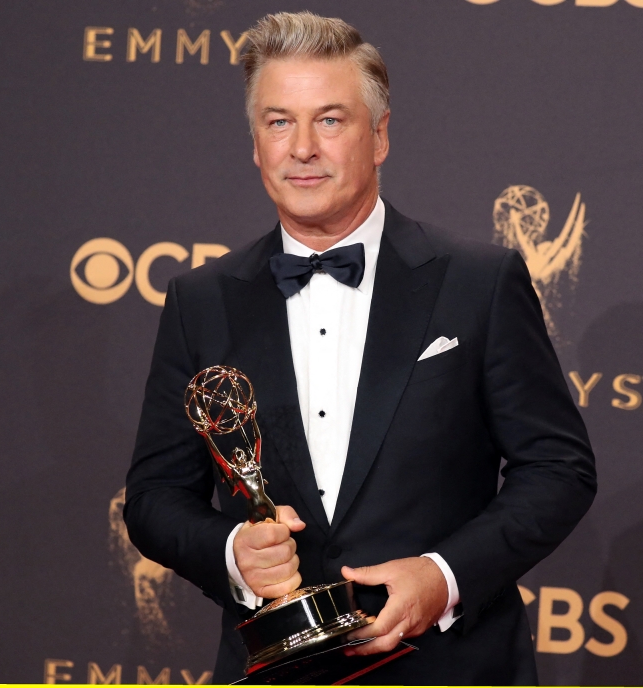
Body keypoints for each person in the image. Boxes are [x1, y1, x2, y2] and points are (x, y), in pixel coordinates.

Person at [124, 11, 596, 685]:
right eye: (279, 122)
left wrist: (443, 576)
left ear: (379, 136)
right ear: (256, 144)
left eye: (330, 120)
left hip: (450, 668)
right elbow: (154, 497)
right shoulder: (201, 300)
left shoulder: (478, 282)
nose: (302, 148)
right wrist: (232, 552)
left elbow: (557, 469)